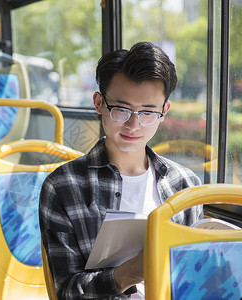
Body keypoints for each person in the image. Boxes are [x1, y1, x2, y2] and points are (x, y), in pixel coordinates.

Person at [39, 41, 203, 299]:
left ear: (164, 112)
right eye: (121, 109)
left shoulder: (185, 184)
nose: (133, 125)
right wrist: (129, 273)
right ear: (99, 103)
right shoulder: (63, 186)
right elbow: (67, 291)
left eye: (148, 112)